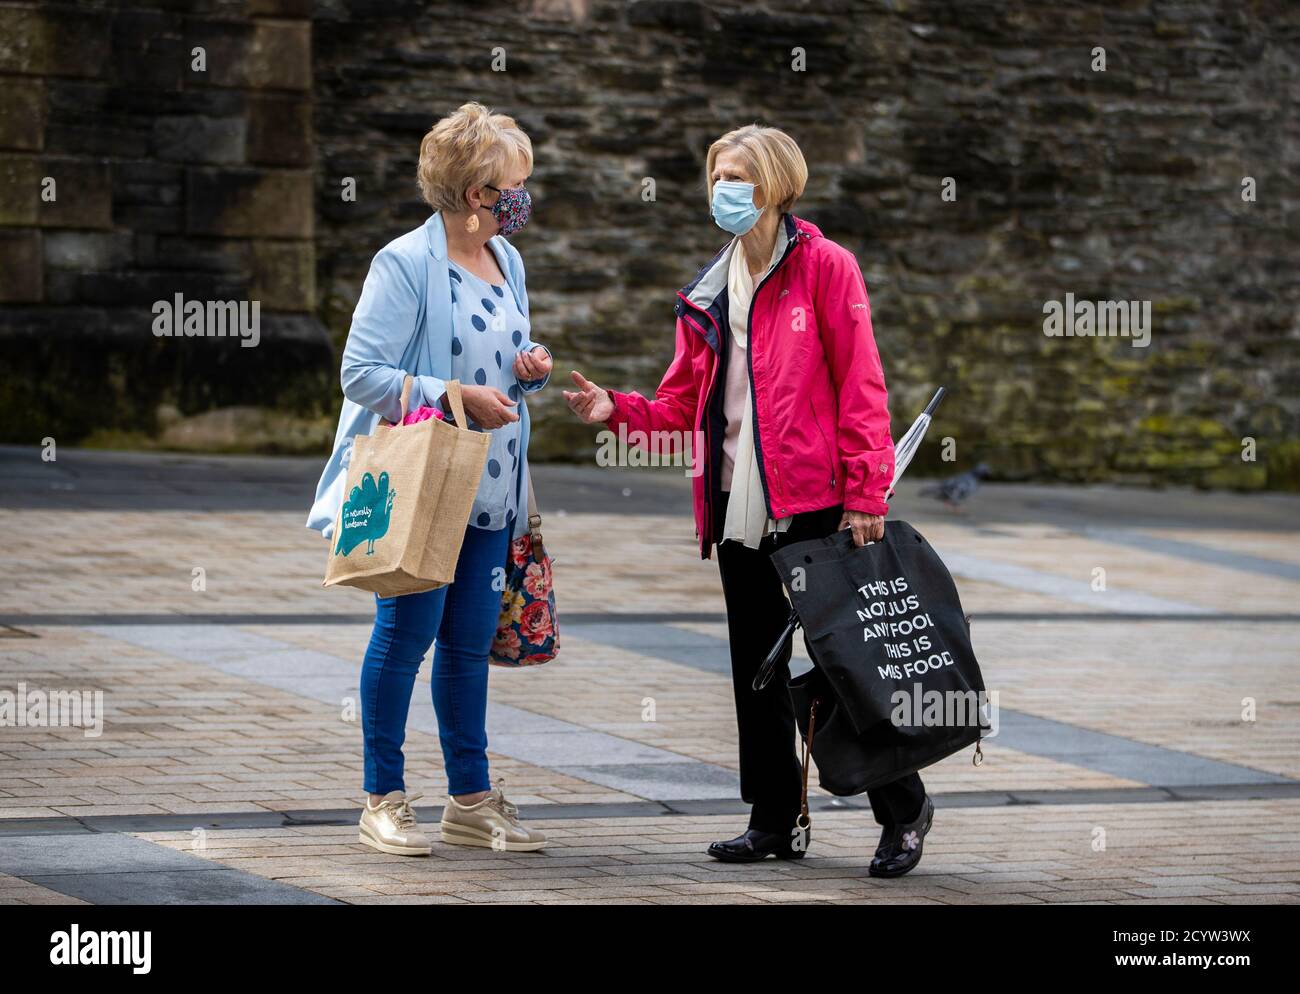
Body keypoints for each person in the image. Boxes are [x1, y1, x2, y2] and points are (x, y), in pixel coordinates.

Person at [564, 124, 933, 877]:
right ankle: (775, 819)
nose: (722, 189)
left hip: (822, 505)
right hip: (738, 508)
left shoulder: (827, 268)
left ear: (775, 185)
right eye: (716, 176)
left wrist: (867, 493)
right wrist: (615, 410)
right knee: (755, 670)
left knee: (845, 666)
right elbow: (681, 408)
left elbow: (862, 387)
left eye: (737, 175)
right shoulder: (707, 290)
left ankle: (903, 810)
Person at [307, 103, 551, 856]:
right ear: (479, 193)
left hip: (492, 484)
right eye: (516, 184)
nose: (525, 197)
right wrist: (450, 397)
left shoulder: (505, 259)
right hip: (423, 484)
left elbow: (495, 350)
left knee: (470, 643)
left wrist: (525, 369)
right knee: (406, 636)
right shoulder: (405, 263)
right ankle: (382, 798)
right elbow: (360, 374)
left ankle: (471, 801)